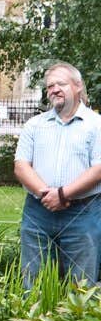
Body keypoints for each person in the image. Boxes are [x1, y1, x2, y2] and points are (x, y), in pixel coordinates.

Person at [13, 61, 101, 286]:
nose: (54, 89)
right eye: (50, 86)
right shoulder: (34, 124)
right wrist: (47, 195)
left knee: (81, 287)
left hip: (83, 213)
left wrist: (63, 195)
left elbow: (98, 168)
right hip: (38, 211)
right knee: (32, 282)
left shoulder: (97, 125)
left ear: (78, 86)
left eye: (61, 83)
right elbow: (21, 165)